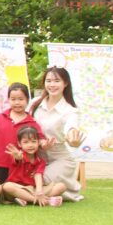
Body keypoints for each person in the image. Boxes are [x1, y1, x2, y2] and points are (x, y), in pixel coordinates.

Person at [30, 67, 85, 202]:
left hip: (59, 157)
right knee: (24, 178)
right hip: (35, 156)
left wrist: (73, 140)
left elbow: (71, 128)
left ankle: (25, 196)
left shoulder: (71, 110)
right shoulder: (35, 103)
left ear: (65, 83)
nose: (52, 85)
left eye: (56, 81)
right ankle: (42, 195)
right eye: (48, 81)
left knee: (39, 179)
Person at [0, 83, 42, 184]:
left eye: (21, 99)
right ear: (8, 99)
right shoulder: (0, 118)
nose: (17, 102)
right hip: (0, 164)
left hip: (21, 166)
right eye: (13, 99)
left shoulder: (32, 123)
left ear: (27, 100)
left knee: (15, 187)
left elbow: (40, 141)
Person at [2, 126, 67, 207]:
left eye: (33, 141)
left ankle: (27, 199)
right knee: (7, 186)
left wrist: (39, 191)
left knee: (61, 186)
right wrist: (18, 158)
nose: (30, 145)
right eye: (26, 142)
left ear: (38, 142)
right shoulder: (17, 155)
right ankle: (40, 201)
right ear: (19, 144)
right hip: (18, 188)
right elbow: (17, 159)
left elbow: (38, 175)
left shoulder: (40, 161)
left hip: (33, 189)